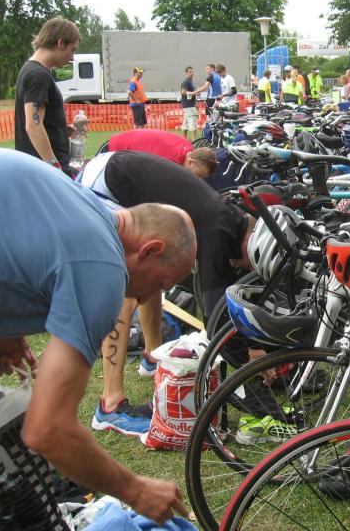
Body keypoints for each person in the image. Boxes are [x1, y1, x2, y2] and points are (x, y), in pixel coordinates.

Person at [0, 148, 195, 524]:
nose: (143, 300)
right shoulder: (103, 266)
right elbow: (47, 429)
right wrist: (136, 490)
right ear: (150, 250)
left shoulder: (91, 209)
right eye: (159, 285)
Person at [78, 150, 254, 436]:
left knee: (153, 274)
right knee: (124, 289)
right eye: (248, 262)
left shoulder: (221, 211)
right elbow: (213, 312)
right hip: (105, 186)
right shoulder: (217, 223)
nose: (243, 266)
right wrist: (247, 355)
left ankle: (152, 355)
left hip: (117, 172)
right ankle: (110, 405)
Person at [14, 16, 80, 172]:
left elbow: (37, 121)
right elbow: (33, 127)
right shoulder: (38, 75)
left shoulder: (31, 70)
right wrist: (55, 168)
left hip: (38, 169)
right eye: (72, 49)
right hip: (44, 171)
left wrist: (60, 129)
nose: (72, 57)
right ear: (60, 43)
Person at [108, 129, 218, 178]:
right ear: (190, 162)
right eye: (198, 175)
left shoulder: (188, 149)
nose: (198, 180)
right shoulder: (170, 161)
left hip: (125, 144)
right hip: (117, 149)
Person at [180, 66, 199, 139]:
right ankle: (194, 141)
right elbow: (183, 92)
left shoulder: (191, 82)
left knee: (185, 123)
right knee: (193, 122)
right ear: (186, 73)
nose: (192, 73)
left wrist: (195, 103)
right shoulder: (186, 82)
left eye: (192, 71)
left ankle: (184, 139)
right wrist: (193, 93)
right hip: (189, 105)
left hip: (189, 105)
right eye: (190, 72)